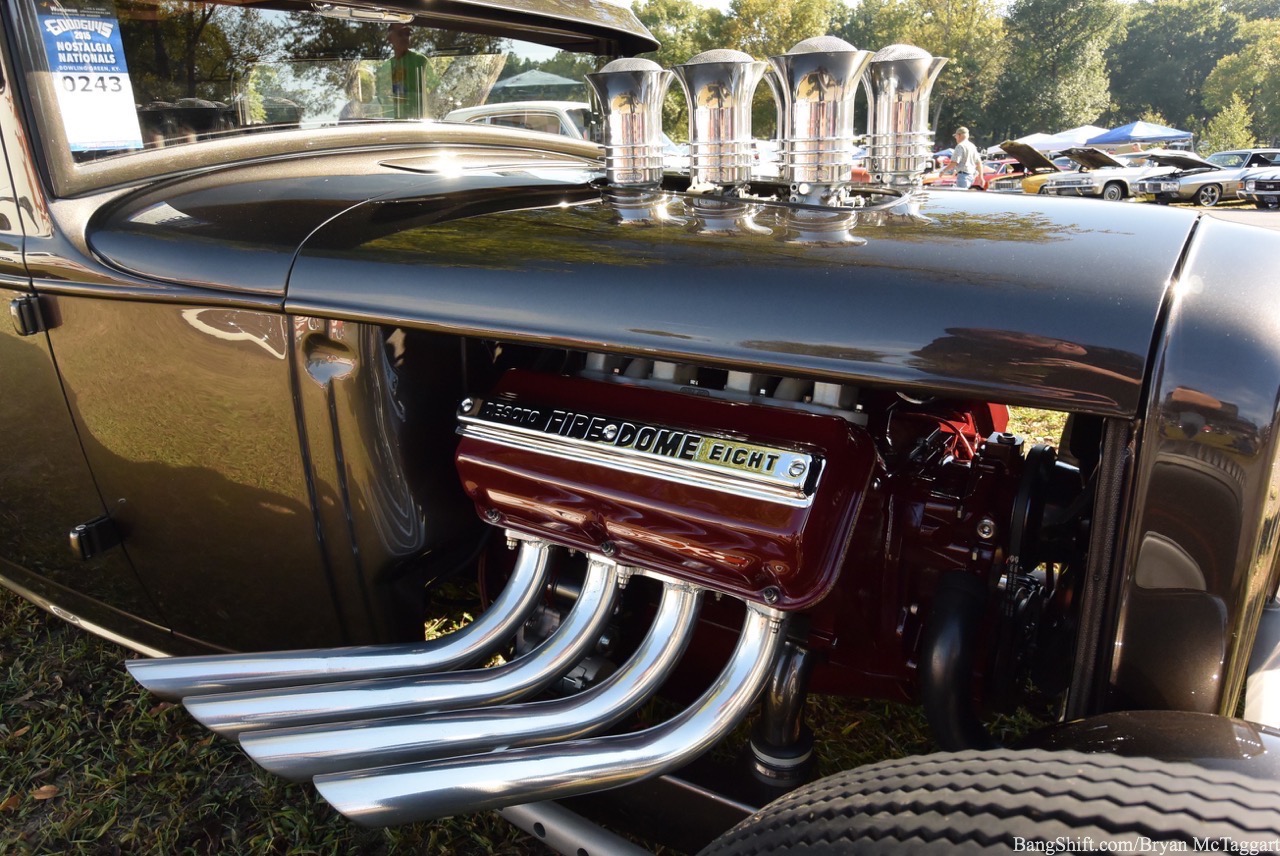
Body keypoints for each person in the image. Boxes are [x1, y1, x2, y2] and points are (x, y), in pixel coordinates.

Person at [377, 24, 433, 119]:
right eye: (400, 34)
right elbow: (382, 98)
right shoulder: (386, 67)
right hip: (393, 123)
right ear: (390, 38)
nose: (405, 37)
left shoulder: (420, 60)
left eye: (407, 34)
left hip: (417, 121)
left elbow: (433, 92)